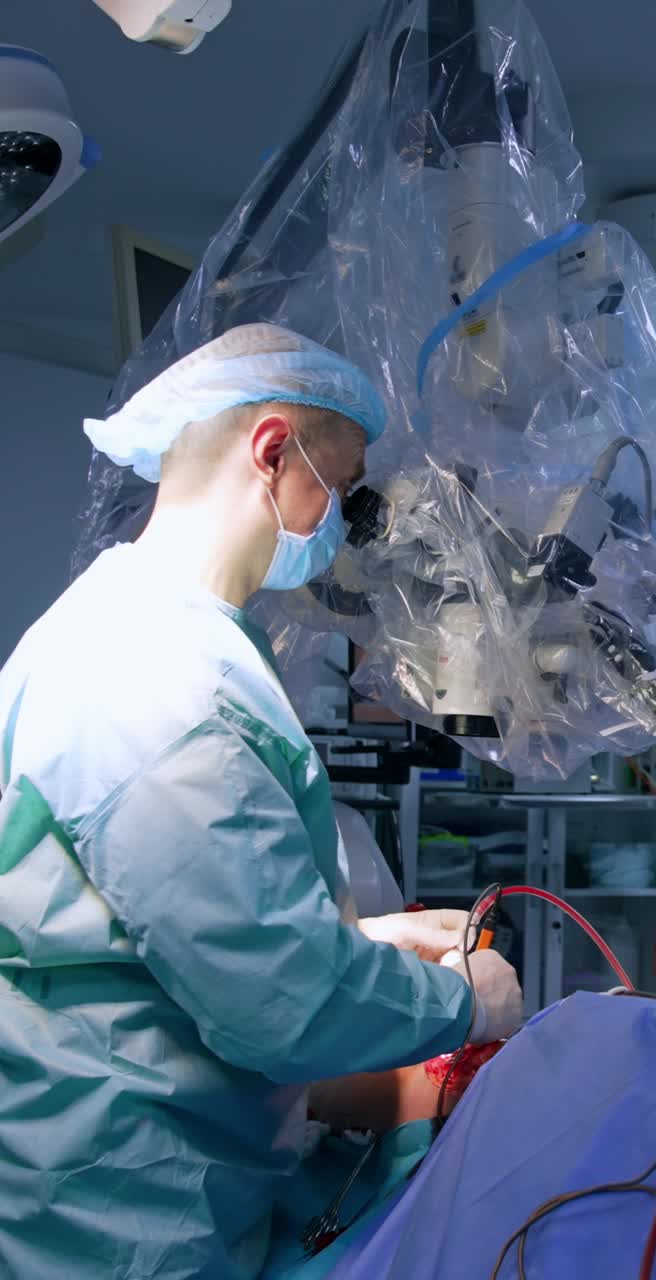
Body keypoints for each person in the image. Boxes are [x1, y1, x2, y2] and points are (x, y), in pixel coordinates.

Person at [0, 324, 522, 1279]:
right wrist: (462, 1000)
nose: (347, 518)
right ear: (273, 451)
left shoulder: (155, 639)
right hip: (121, 1214)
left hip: (143, 1175)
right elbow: (283, 1003)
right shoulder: (154, 672)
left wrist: (360, 943)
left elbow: (158, 924)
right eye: (345, 484)